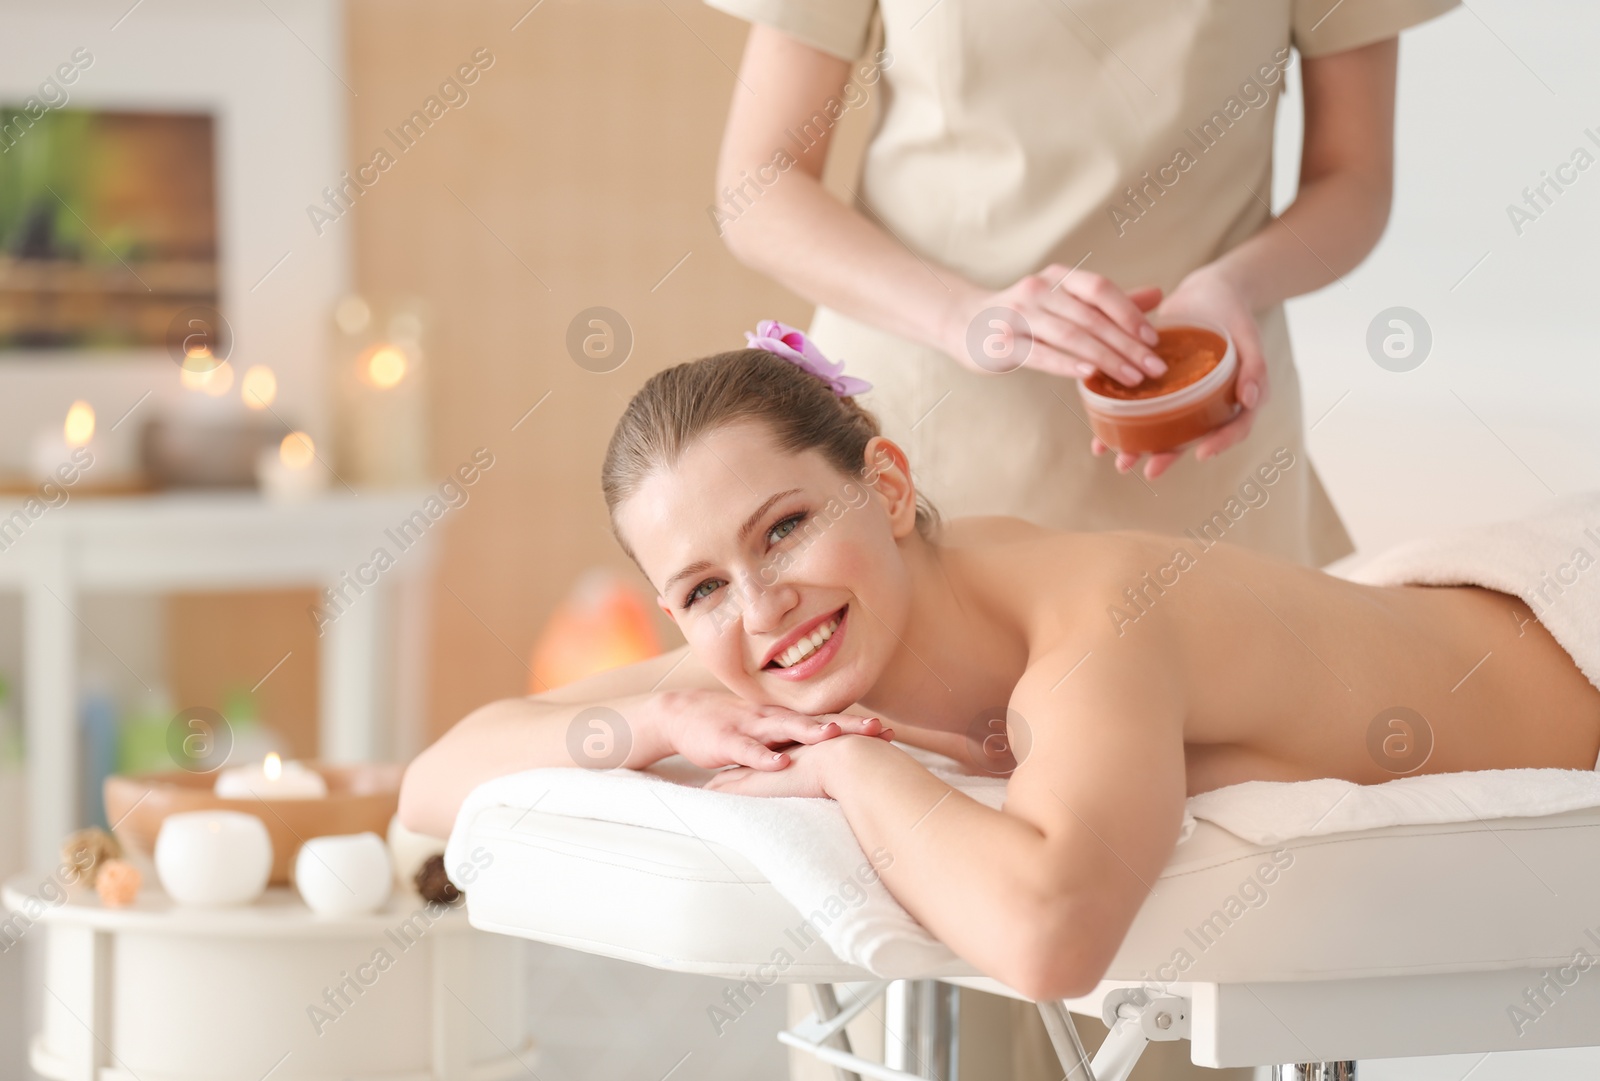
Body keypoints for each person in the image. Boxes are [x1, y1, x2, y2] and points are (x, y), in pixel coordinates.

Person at [400, 341, 1600, 1053]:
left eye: (784, 529)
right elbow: (438, 776)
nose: (760, 608)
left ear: (885, 482)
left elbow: (1048, 936)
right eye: (703, 586)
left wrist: (853, 767)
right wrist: (661, 718)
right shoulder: (786, 633)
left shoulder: (1095, 618)